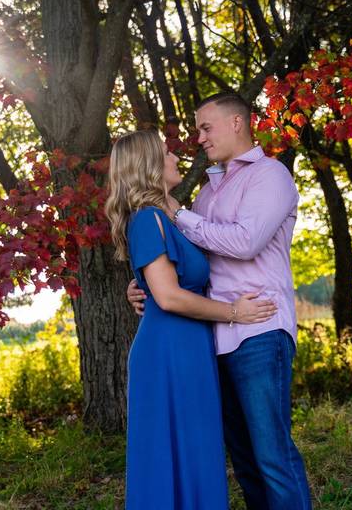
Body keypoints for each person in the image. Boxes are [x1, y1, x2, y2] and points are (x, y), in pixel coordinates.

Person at [128, 92, 313, 509]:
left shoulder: (271, 176)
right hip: (215, 338)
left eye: (205, 127)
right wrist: (143, 282)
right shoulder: (209, 194)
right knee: (244, 461)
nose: (199, 138)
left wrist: (178, 214)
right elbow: (192, 260)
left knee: (272, 456)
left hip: (258, 330)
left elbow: (245, 242)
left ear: (237, 123)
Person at [106, 130, 278, 510]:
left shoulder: (168, 216)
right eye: (166, 153)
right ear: (150, 166)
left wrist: (142, 287)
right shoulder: (149, 219)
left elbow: (172, 279)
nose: (174, 157)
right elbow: (168, 296)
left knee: (195, 451)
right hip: (169, 353)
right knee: (175, 454)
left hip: (189, 348)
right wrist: (235, 312)